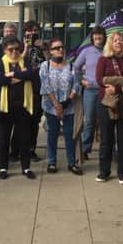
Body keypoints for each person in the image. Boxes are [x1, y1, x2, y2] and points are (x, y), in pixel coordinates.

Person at [95, 32, 123, 184]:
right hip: (106, 104)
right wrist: (121, 82)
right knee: (106, 139)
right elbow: (100, 80)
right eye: (115, 40)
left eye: (121, 40)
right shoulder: (103, 59)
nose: (118, 43)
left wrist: (117, 87)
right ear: (110, 44)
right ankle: (104, 172)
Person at [0, 36, 36, 180]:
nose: (14, 52)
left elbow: (31, 74)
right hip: (6, 108)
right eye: (11, 49)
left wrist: (12, 75)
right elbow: (0, 79)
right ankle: (3, 167)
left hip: (23, 108)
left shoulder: (25, 61)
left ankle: (26, 167)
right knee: (4, 140)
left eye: (17, 49)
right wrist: (21, 77)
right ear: (5, 50)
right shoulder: (0, 62)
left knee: (24, 140)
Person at [39, 38, 81, 175]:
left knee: (70, 135)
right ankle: (51, 161)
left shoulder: (70, 65)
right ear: (50, 51)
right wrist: (57, 105)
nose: (60, 50)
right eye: (56, 48)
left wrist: (68, 101)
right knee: (53, 134)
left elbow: (76, 84)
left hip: (68, 105)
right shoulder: (45, 66)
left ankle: (72, 162)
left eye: (62, 47)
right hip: (51, 106)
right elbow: (45, 86)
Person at [11, 21, 46, 162]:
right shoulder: (18, 46)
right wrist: (25, 49)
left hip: (38, 89)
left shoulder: (43, 46)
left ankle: (31, 150)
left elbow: (50, 62)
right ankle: (15, 151)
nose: (32, 33)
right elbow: (14, 64)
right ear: (24, 32)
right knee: (20, 121)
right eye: (29, 31)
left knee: (34, 122)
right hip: (22, 89)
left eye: (35, 30)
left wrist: (43, 48)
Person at [73, 26, 106, 160]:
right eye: (95, 36)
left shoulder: (108, 50)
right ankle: (85, 149)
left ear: (104, 37)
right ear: (92, 38)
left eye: (100, 36)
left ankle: (108, 149)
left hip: (106, 90)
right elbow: (75, 68)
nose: (98, 38)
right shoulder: (87, 51)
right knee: (89, 121)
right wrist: (81, 81)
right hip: (91, 90)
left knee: (106, 121)